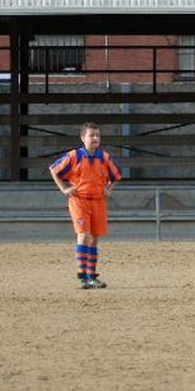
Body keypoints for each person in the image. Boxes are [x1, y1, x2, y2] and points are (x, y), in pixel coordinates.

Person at [49, 122, 121, 289]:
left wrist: (108, 189)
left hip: (98, 201)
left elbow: (116, 176)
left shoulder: (104, 157)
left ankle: (91, 276)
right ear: (83, 138)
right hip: (79, 200)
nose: (95, 138)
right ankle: (83, 277)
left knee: (94, 239)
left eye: (97, 135)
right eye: (91, 135)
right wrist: (64, 188)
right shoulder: (74, 156)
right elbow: (53, 169)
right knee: (84, 235)